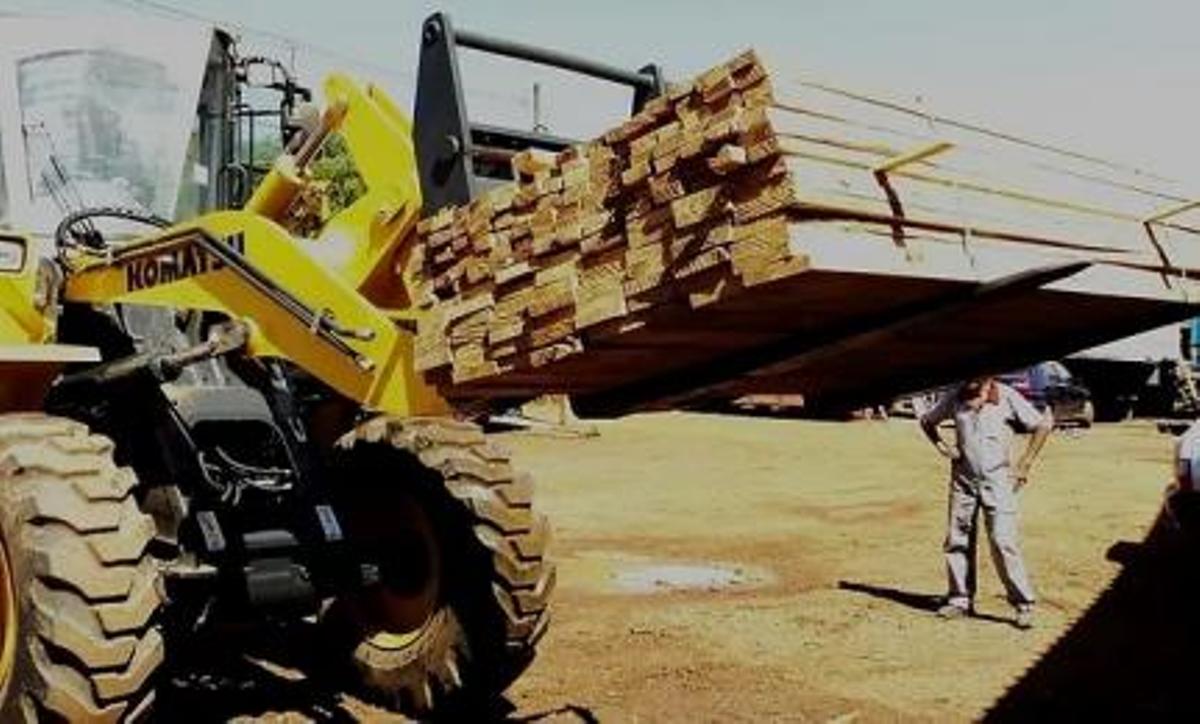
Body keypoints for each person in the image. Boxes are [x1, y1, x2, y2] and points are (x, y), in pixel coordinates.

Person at [919, 376, 1052, 629]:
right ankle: (959, 599)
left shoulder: (1006, 396)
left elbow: (1042, 425)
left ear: (988, 376)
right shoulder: (955, 395)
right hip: (963, 482)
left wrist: (1025, 463)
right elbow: (927, 421)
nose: (967, 381)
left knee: (1003, 541)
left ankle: (1023, 603)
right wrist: (943, 447)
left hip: (998, 480)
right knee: (957, 540)